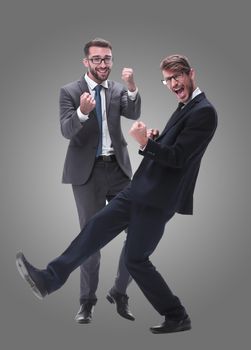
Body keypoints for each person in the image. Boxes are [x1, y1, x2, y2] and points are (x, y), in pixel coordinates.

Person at [16, 54, 217, 334]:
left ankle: (176, 315)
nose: (173, 83)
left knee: (136, 259)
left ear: (191, 73)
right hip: (139, 190)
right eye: (168, 79)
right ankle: (49, 279)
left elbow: (181, 157)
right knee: (94, 229)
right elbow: (175, 146)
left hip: (157, 200)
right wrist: (157, 138)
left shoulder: (204, 111)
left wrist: (146, 143)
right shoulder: (186, 106)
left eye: (178, 76)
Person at [58, 38, 141, 323]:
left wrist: (131, 88)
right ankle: (87, 302)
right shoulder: (69, 91)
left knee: (140, 229)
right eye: (97, 59)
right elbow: (67, 131)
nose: (103, 64)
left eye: (107, 59)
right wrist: (82, 111)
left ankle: (119, 291)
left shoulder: (117, 89)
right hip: (87, 174)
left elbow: (134, 113)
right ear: (86, 62)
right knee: (91, 239)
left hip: (119, 171)